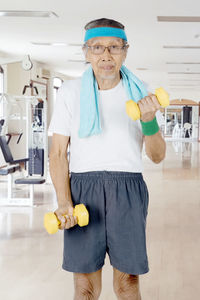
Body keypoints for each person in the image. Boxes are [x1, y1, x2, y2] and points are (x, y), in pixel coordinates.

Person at [49, 18, 166, 300]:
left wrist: (149, 121)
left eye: (114, 47)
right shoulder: (70, 92)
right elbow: (57, 153)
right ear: (86, 52)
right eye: (97, 47)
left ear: (125, 52)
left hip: (128, 189)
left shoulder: (142, 93)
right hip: (82, 191)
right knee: (85, 288)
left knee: (128, 284)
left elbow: (157, 156)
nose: (106, 55)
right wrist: (65, 202)